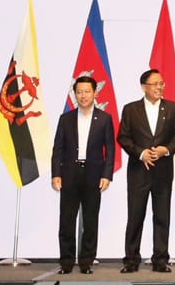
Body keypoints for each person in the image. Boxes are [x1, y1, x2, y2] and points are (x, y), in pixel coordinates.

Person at [117, 69, 175, 273]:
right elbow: (123, 137)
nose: (160, 87)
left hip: (163, 172)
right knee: (135, 216)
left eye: (161, 83)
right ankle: (131, 261)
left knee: (162, 216)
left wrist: (167, 150)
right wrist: (140, 153)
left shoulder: (172, 108)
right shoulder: (131, 109)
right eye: (155, 84)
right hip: (139, 171)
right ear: (144, 87)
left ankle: (160, 260)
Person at [51, 74, 115, 275]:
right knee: (67, 221)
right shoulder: (66, 118)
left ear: (95, 93)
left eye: (87, 91)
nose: (83, 95)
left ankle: (86, 262)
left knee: (90, 221)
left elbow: (110, 149)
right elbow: (58, 149)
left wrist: (107, 175)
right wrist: (56, 174)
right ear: (74, 94)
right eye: (79, 92)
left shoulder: (104, 118)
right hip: (69, 174)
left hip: (94, 174)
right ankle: (66, 262)